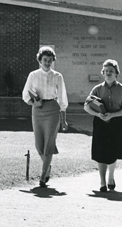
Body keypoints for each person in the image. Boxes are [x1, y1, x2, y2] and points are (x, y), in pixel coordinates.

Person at [22, 46, 69, 187]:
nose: (47, 63)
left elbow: (62, 99)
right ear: (40, 60)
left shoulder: (58, 76)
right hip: (38, 110)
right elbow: (25, 94)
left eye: (50, 60)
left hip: (52, 110)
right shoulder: (33, 75)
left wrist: (64, 119)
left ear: (53, 61)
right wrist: (33, 103)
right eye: (45, 60)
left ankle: (43, 176)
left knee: (49, 142)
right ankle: (47, 166)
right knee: (39, 144)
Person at [83, 59, 122, 192]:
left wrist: (112, 115)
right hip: (100, 123)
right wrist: (98, 115)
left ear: (116, 73)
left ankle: (111, 176)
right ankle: (102, 182)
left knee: (113, 151)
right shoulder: (97, 89)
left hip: (116, 123)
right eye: (106, 71)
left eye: (111, 71)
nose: (109, 73)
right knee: (100, 152)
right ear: (103, 73)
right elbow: (86, 106)